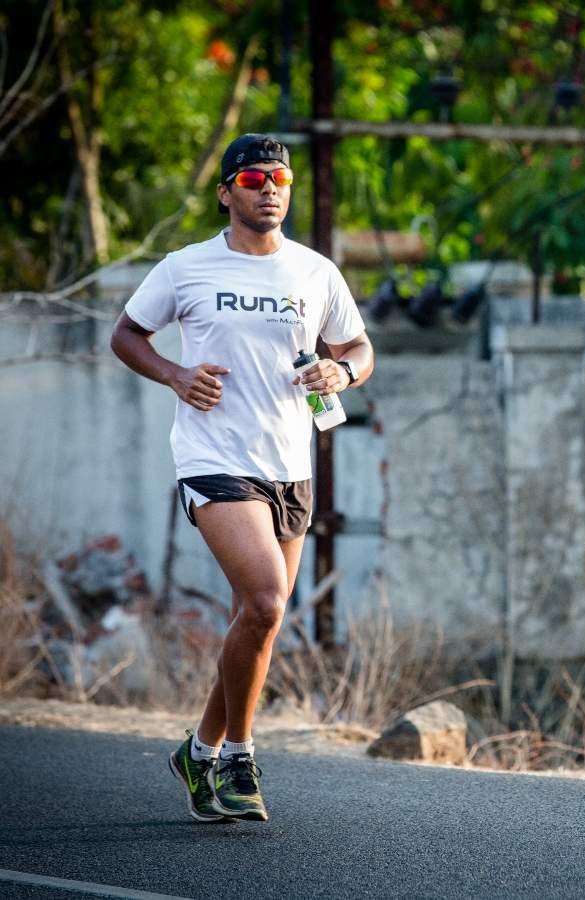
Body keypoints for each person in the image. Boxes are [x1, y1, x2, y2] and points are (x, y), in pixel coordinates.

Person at [110, 133, 373, 822]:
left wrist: (339, 371)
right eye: (255, 177)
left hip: (291, 464)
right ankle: (238, 758)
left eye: (281, 177)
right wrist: (175, 375)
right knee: (265, 600)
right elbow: (127, 335)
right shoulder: (186, 267)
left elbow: (358, 347)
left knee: (253, 620)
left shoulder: (315, 272)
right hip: (214, 459)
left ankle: (196, 752)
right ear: (227, 191)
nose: (271, 187)